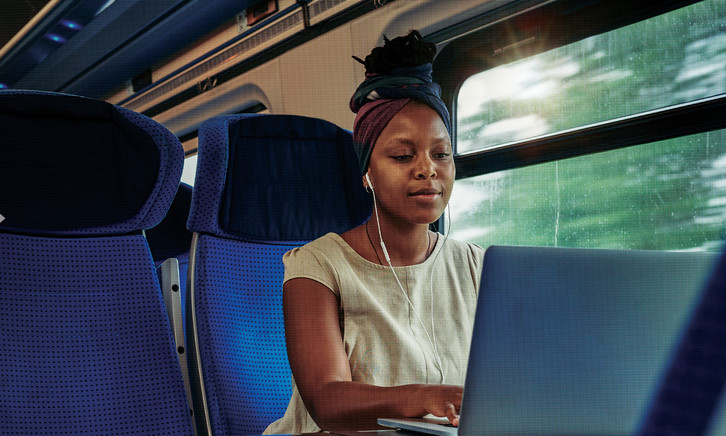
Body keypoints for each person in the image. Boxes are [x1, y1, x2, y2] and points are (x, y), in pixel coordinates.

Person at [264, 30, 484, 434]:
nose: (427, 169)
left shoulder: (475, 264)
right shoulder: (317, 264)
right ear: (367, 172)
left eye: (441, 154)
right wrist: (425, 397)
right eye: (403, 156)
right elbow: (327, 401)